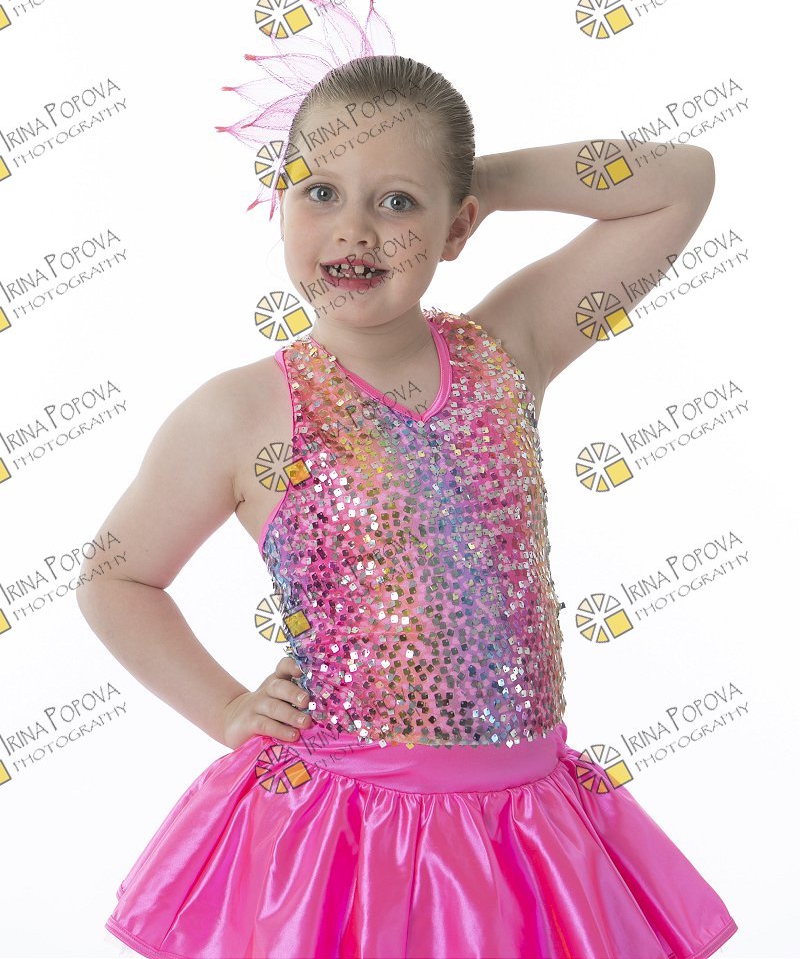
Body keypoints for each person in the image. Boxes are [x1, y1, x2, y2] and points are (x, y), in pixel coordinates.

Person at [78, 49, 739, 959]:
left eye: (397, 203)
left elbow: (681, 182)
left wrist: (482, 182)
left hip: (525, 829)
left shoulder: (510, 349)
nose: (355, 230)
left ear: (456, 226)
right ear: (279, 204)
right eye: (321, 192)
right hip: (346, 831)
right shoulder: (239, 413)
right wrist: (228, 709)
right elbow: (116, 580)